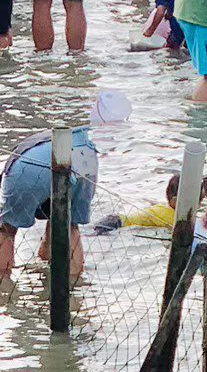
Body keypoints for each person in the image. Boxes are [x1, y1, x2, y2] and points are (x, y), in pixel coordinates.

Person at [0, 90, 130, 278]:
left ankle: (4, 289)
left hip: (29, 165)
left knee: (7, 229)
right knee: (69, 225)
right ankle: (73, 289)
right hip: (85, 161)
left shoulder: (39, 144)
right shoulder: (88, 143)